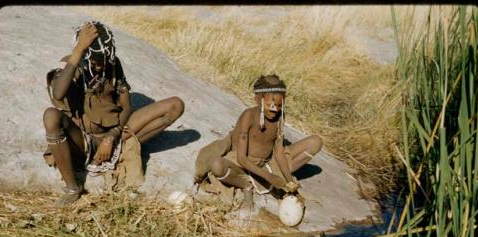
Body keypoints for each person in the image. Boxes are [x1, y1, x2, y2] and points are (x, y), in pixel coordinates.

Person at [43, 21, 184, 207]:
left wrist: (111, 137)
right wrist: (79, 51)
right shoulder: (72, 66)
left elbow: (126, 107)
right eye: (93, 58)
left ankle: (120, 150)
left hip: (117, 134)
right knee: (50, 116)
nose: (99, 64)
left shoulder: (112, 64)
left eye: (103, 58)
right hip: (83, 140)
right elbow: (58, 93)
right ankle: (72, 187)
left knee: (175, 105)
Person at [194, 74, 322, 215]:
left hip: (267, 163)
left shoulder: (280, 117)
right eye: (270, 105)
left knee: (315, 142)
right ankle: (246, 186)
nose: (274, 109)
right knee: (217, 165)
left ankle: (276, 183)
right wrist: (270, 177)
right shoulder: (248, 116)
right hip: (241, 165)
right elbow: (242, 159)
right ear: (258, 100)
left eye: (279, 105)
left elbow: (279, 152)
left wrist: (290, 183)